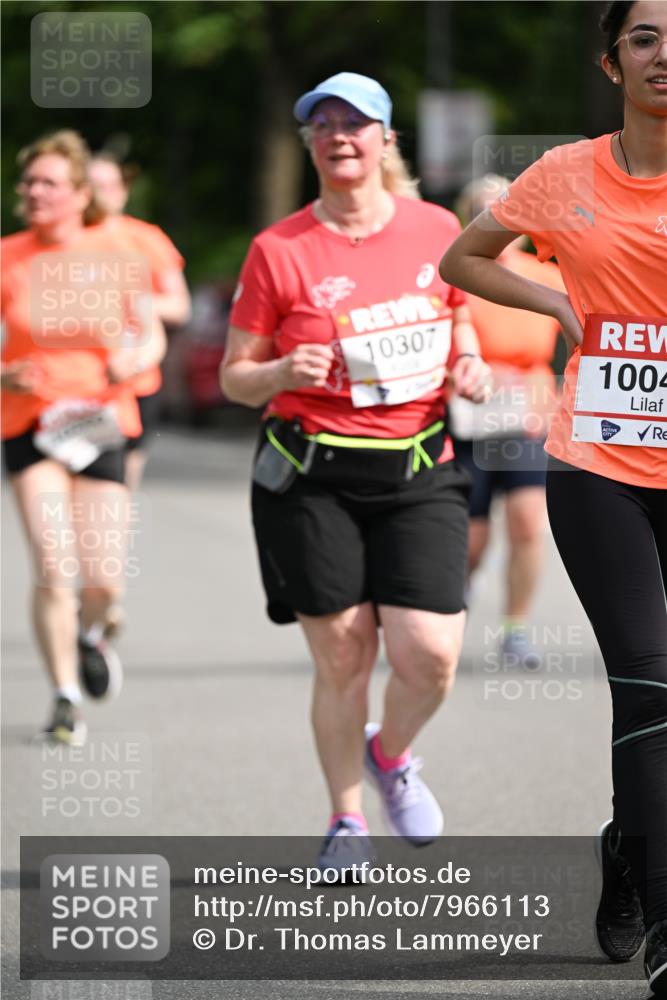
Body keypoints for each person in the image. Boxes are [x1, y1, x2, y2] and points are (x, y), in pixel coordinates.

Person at [439, 2, 666, 993]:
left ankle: (626, 843)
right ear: (611, 63)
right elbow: (464, 258)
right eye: (646, 37)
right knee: (649, 684)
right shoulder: (565, 175)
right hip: (600, 461)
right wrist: (560, 302)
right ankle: (666, 919)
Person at [221, 72, 491, 875]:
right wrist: (277, 373)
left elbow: (459, 315)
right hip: (311, 475)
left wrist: (469, 361)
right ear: (310, 143)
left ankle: (392, 753)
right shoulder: (278, 249)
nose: (340, 136)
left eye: (356, 123)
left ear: (386, 141)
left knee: (430, 656)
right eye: (323, 125)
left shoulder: (434, 226)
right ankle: (345, 821)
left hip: (418, 467)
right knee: (343, 654)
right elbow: (236, 374)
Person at [1, 130, 167, 745]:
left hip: (100, 424)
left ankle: (91, 631)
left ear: (78, 194)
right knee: (54, 566)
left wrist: (136, 359)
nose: (34, 193)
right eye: (29, 182)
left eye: (48, 183)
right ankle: (64, 695)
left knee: (104, 580)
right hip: (28, 422)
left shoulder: (119, 251)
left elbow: (150, 333)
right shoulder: (7, 256)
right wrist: (3, 372)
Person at [449, 174, 565, 669]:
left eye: (502, 206)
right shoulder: (453, 275)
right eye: (481, 207)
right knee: (471, 541)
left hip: (527, 415)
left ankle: (515, 630)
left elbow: (597, 327)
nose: (494, 214)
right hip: (468, 414)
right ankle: (457, 596)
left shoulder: (548, 276)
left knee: (526, 521)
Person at [88, 152, 191, 493]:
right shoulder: (61, 241)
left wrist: (135, 302)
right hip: (77, 382)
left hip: (136, 380)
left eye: (107, 185)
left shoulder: (146, 239)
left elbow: (180, 306)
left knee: (118, 488)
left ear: (122, 191)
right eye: (89, 185)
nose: (98, 194)